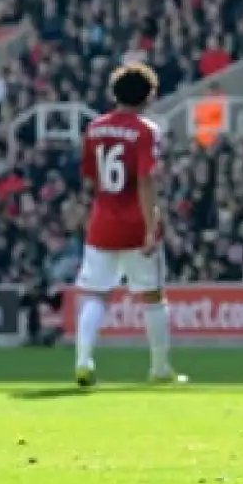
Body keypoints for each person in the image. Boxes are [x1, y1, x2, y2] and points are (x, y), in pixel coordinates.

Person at [72, 63, 180, 386]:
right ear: (148, 95)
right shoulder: (146, 130)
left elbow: (90, 179)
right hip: (135, 224)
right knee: (152, 296)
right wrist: (151, 226)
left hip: (102, 223)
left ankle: (83, 360)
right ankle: (159, 369)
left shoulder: (95, 128)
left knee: (96, 295)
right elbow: (146, 179)